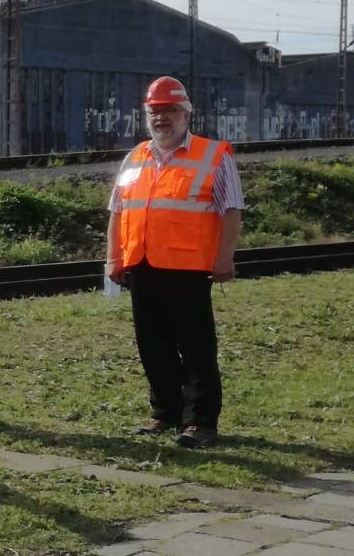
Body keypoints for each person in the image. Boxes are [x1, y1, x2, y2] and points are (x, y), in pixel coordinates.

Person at [106, 76, 243, 449]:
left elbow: (231, 209)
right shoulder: (135, 157)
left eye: (168, 111)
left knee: (196, 347)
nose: (161, 118)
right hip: (142, 264)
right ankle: (165, 413)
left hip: (188, 268)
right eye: (155, 112)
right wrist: (113, 259)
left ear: (185, 114)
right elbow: (118, 212)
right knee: (152, 345)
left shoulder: (213, 155)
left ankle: (199, 422)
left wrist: (224, 256)